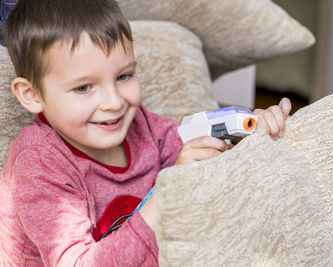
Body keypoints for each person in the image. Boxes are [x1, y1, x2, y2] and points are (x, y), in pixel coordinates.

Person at [0, 0, 291, 265]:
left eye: (124, 76)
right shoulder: (37, 162)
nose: (114, 102)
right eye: (84, 87)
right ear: (31, 94)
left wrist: (249, 131)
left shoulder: (140, 124)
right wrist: (163, 195)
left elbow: (201, 152)